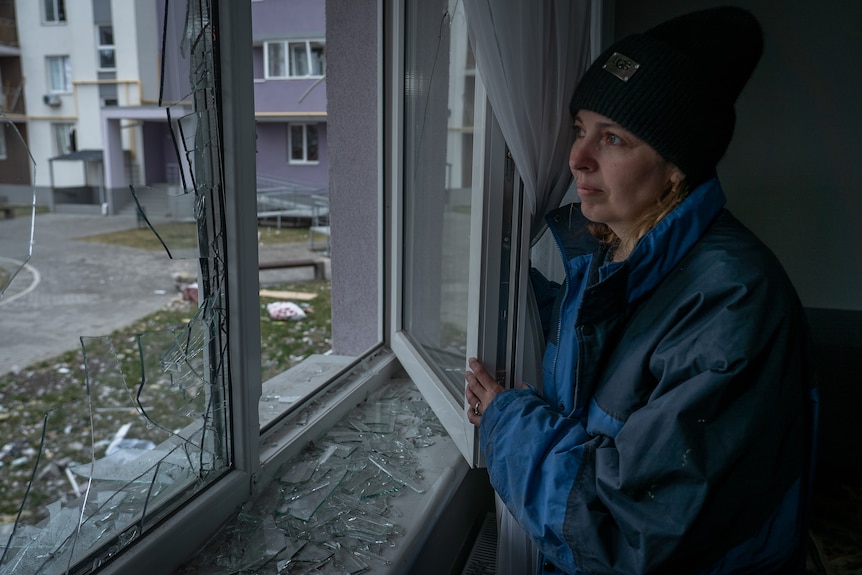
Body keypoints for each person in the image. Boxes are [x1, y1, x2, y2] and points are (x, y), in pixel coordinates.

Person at [464, 6, 817, 574]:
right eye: (580, 129)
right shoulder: (609, 251)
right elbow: (609, 364)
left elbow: (629, 533)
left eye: (613, 138)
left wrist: (509, 421)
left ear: (676, 166)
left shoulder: (735, 303)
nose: (577, 157)